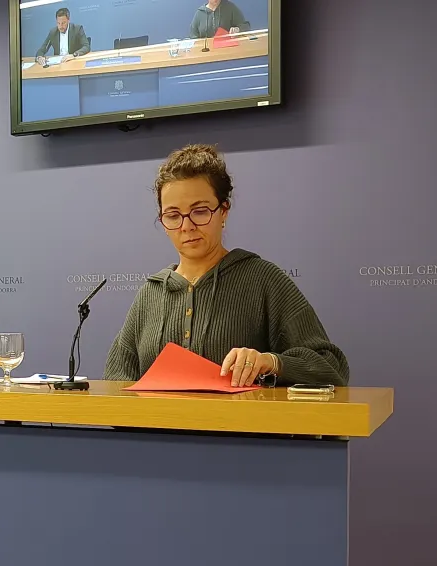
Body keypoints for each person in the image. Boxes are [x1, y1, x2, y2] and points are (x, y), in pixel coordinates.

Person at [103, 145, 349, 388]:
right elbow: (116, 380)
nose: (186, 226)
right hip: (160, 428)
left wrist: (271, 362)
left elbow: (332, 367)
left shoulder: (263, 279)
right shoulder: (151, 293)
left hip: (238, 427)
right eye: (173, 215)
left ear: (224, 212)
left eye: (199, 212)